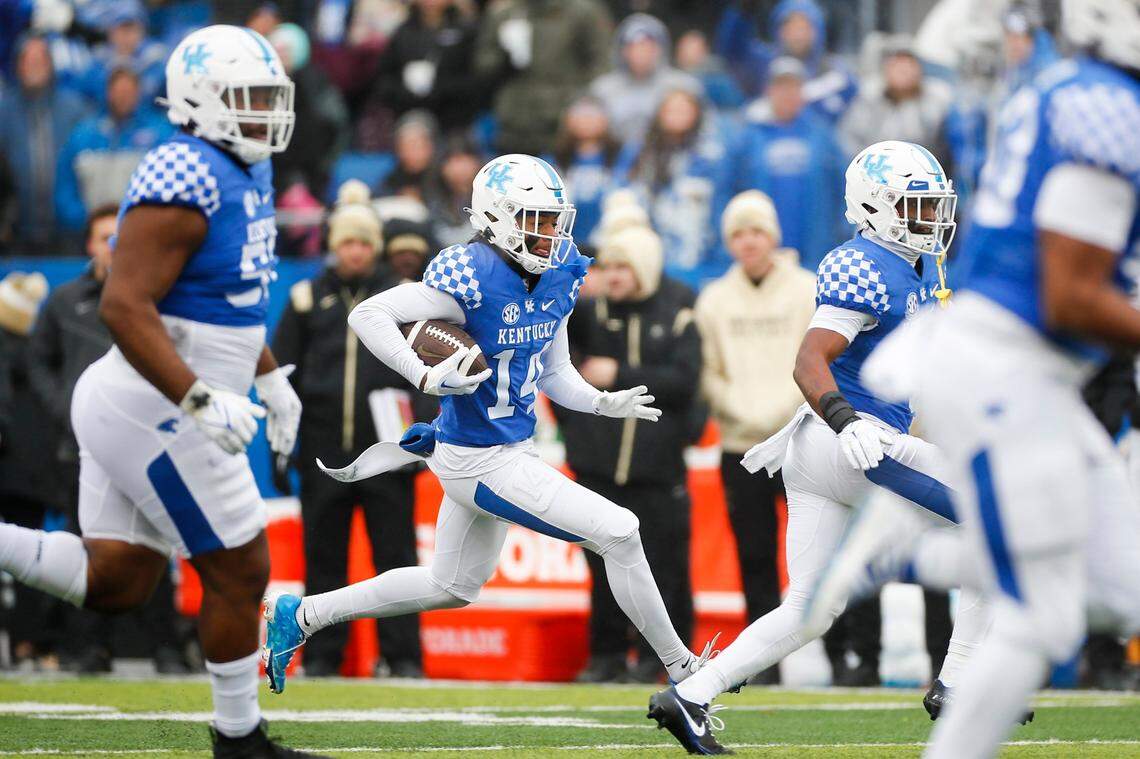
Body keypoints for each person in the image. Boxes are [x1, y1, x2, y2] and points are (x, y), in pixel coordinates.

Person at [806, 5, 1140, 757]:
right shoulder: (1105, 105)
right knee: (1056, 589)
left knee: (1083, 605)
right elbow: (1070, 293)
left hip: (1027, 373)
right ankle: (906, 557)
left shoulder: (1071, 90)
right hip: (1004, 373)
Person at [263, 154, 716, 694]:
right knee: (621, 531)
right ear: (498, 218)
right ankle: (683, 670)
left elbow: (556, 371)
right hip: (477, 459)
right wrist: (425, 379)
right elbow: (369, 315)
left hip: (507, 449)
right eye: (537, 220)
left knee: (451, 585)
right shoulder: (471, 270)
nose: (551, 233)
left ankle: (302, 615)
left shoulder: (560, 271)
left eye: (555, 220)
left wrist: (600, 403)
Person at [0, 25, 319, 758]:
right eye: (248, 98)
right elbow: (123, 303)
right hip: (156, 407)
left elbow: (232, 299)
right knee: (241, 567)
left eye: (271, 97)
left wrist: (268, 374)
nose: (265, 113)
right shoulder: (186, 172)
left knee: (118, 580)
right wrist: (200, 397)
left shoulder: (247, 166)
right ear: (201, 101)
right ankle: (239, 738)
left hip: (144, 402)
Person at [648, 141, 990, 754]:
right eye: (918, 206)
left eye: (935, 204)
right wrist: (847, 419)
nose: (933, 217)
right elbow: (809, 359)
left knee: (808, 610)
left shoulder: (912, 269)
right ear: (876, 207)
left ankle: (692, 695)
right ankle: (959, 683)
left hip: (822, 453)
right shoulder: (862, 262)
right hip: (852, 440)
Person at [272, 182, 429, 679]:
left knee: (397, 560)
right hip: (323, 452)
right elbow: (280, 375)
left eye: (364, 242)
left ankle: (403, 658)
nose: (356, 251)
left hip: (386, 451)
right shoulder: (305, 298)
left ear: (375, 246)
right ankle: (322, 656)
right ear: (333, 245)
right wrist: (283, 446)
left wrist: (423, 436)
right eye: (347, 242)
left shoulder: (401, 299)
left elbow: (428, 367)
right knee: (323, 559)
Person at [26, 205, 188, 674]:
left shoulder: (157, 297)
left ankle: (166, 648)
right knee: (88, 544)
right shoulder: (64, 300)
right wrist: (67, 410)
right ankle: (88, 648)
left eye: (120, 238)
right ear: (89, 245)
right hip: (80, 447)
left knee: (158, 544)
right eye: (104, 238)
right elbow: (38, 363)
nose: (113, 247)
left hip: (149, 442)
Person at [561, 224, 703, 683]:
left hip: (655, 470)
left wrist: (620, 371)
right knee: (602, 568)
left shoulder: (677, 315)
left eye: (623, 266)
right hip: (599, 468)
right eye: (607, 266)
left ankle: (657, 658)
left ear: (643, 269)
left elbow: (685, 383)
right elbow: (556, 366)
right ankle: (604, 655)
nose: (613, 275)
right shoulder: (586, 315)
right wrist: (582, 438)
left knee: (663, 569)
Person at [694, 190, 815, 684]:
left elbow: (817, 359)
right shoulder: (715, 300)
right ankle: (765, 664)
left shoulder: (807, 289)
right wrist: (745, 411)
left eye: (757, 231)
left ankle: (854, 656)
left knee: (819, 555)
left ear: (774, 236)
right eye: (739, 233)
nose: (748, 242)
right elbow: (709, 372)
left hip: (802, 441)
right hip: (739, 447)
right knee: (755, 556)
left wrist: (783, 411)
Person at [734, 57, 847, 272]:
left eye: (794, 87)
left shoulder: (823, 135)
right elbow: (727, 188)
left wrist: (842, 234)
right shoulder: (748, 137)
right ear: (768, 91)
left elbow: (845, 187)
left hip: (817, 251)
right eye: (781, 87)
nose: (787, 94)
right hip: (761, 252)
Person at [615, 87, 733, 288]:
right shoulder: (640, 151)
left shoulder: (711, 154)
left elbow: (720, 200)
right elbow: (622, 195)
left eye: (684, 109)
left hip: (697, 247)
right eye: (671, 109)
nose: (677, 115)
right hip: (650, 244)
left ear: (696, 114)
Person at [474, 0, 612, 155]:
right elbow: (483, 68)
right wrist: (507, 57)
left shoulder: (582, 11)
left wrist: (580, 105)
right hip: (514, 120)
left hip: (563, 123)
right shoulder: (504, 14)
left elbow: (600, 64)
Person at [54, 67, 172, 234]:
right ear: (108, 92)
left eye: (128, 91)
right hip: (90, 234)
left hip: (141, 233)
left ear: (138, 92)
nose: (123, 97)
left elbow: (169, 185)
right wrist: (85, 222)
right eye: (118, 90)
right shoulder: (84, 134)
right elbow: (65, 186)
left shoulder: (160, 133)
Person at [0, 34, 89, 251]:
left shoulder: (75, 109)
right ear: (18, 66)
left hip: (68, 232)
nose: (34, 67)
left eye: (40, 60)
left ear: (51, 64)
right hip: (16, 232)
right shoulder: (4, 111)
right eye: (28, 61)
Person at [715, 0, 857, 120]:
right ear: (778, 30)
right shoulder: (763, 63)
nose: (798, 34)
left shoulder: (837, 74)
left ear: (818, 31)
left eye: (804, 27)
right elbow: (733, 50)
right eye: (791, 27)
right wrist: (743, 12)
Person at [372, 0, 482, 136]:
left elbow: (477, 78)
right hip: (411, 121)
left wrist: (438, 86)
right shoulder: (402, 32)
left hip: (454, 122)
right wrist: (406, 89)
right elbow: (384, 80)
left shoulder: (466, 30)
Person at [589, 13, 701, 145]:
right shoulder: (602, 89)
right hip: (614, 159)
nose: (640, 52)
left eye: (647, 46)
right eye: (633, 46)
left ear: (661, 49)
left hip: (672, 155)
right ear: (622, 51)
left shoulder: (684, 85)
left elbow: (704, 131)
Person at [839, 39, 953, 160]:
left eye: (909, 64)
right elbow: (848, 141)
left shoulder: (937, 103)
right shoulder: (868, 101)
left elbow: (947, 148)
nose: (903, 70)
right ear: (886, 70)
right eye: (896, 65)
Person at [548, 95, 623, 245]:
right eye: (581, 115)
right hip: (563, 243)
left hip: (607, 242)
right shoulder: (554, 158)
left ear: (605, 120)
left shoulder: (621, 155)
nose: (587, 121)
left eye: (592, 115)